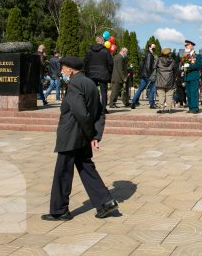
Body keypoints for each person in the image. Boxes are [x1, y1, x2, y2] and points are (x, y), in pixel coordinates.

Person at [42, 56, 117, 221]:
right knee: (86, 168)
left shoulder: (75, 83)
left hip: (71, 135)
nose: (61, 71)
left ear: (70, 69)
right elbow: (99, 112)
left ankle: (59, 210)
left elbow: (81, 113)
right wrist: (95, 135)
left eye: (63, 68)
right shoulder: (90, 83)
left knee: (62, 173)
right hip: (82, 135)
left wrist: (91, 135)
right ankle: (105, 202)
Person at [84, 36, 114, 113]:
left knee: (92, 91)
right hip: (103, 74)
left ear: (96, 41)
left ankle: (92, 108)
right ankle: (103, 109)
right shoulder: (106, 51)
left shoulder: (89, 50)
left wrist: (87, 72)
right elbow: (110, 63)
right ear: (102, 42)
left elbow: (85, 62)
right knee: (103, 91)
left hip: (91, 74)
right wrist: (109, 72)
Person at [131, 42, 157, 109]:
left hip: (143, 74)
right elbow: (148, 66)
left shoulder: (146, 54)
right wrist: (149, 76)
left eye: (155, 47)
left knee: (140, 89)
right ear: (149, 47)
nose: (154, 48)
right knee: (152, 89)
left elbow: (141, 66)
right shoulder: (149, 55)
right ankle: (152, 104)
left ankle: (133, 102)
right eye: (153, 47)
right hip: (148, 75)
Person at [182, 40, 202, 113]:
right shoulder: (185, 56)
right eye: (185, 46)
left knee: (194, 92)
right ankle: (190, 107)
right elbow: (183, 64)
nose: (186, 47)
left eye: (187, 45)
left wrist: (189, 66)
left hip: (194, 76)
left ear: (191, 46)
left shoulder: (197, 55)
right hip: (187, 76)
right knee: (188, 93)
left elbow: (199, 65)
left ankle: (195, 108)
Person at [154, 48, 178, 113]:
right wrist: (174, 77)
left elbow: (154, 67)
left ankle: (161, 108)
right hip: (170, 80)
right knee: (169, 95)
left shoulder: (158, 59)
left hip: (160, 80)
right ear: (169, 53)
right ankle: (169, 108)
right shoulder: (172, 60)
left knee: (161, 95)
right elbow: (176, 70)